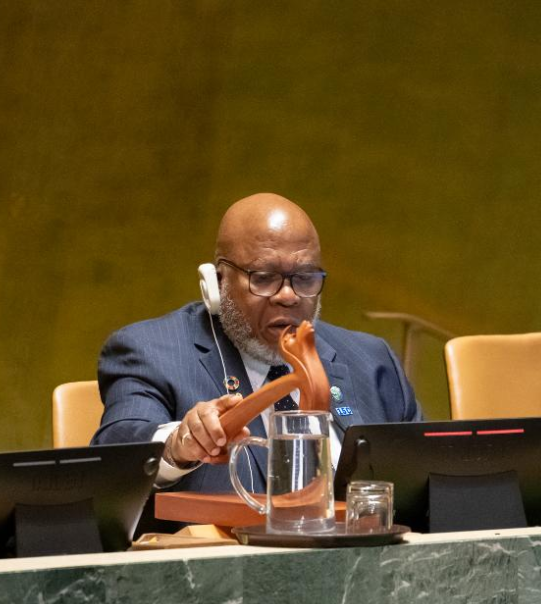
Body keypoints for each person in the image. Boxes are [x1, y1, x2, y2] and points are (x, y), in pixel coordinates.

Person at [91, 193, 422, 495]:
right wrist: (178, 445)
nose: (289, 296)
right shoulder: (151, 352)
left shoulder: (371, 359)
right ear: (216, 284)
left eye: (305, 278)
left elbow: (425, 479)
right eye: (264, 277)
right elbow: (118, 451)